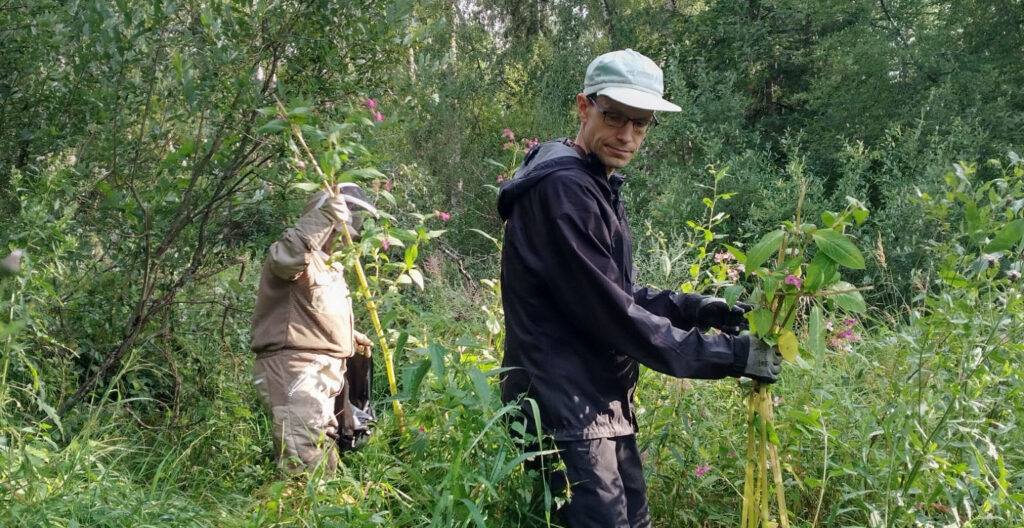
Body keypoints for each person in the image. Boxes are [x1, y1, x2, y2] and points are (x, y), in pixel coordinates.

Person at [497, 49, 783, 527]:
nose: (627, 136)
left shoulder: (593, 182)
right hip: (565, 408)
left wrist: (701, 309)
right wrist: (729, 356)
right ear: (584, 107)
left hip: (598, 405)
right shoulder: (565, 190)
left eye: (642, 123)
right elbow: (613, 315)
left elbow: (615, 290)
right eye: (614, 118)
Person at [250, 183, 377, 474]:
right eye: (347, 219)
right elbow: (286, 260)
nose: (352, 230)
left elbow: (312, 311)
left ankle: (314, 512)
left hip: (323, 373)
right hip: (296, 370)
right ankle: (297, 515)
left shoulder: (330, 266)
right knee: (303, 456)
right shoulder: (296, 254)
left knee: (322, 455)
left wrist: (348, 336)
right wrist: (320, 220)